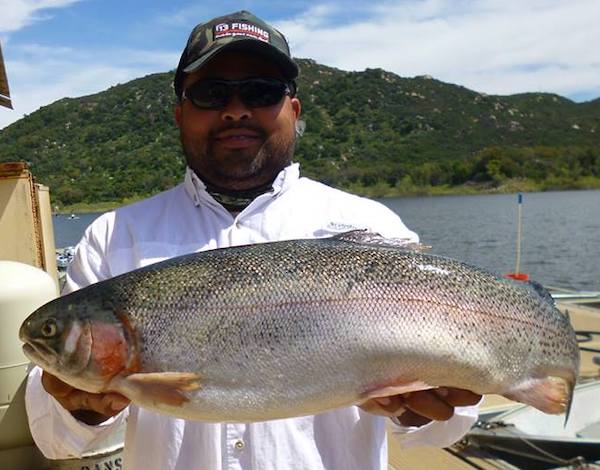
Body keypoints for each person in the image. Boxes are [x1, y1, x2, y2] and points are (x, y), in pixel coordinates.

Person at [25, 10, 481, 470]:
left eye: (261, 92)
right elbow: (57, 440)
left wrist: (424, 407)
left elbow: (451, 424)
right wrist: (78, 405)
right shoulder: (112, 238)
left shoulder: (371, 225)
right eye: (211, 93)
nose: (236, 109)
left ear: (294, 111)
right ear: (180, 113)